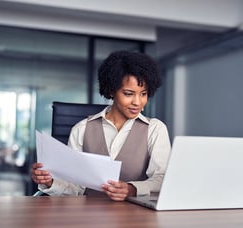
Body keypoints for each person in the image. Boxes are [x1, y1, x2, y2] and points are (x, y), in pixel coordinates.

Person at [31, 50, 171, 201]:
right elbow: (76, 188)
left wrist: (132, 189)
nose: (137, 102)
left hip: (135, 217)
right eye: (129, 94)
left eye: (143, 94)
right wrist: (49, 182)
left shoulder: (155, 129)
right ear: (112, 91)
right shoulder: (81, 129)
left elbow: (162, 179)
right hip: (88, 216)